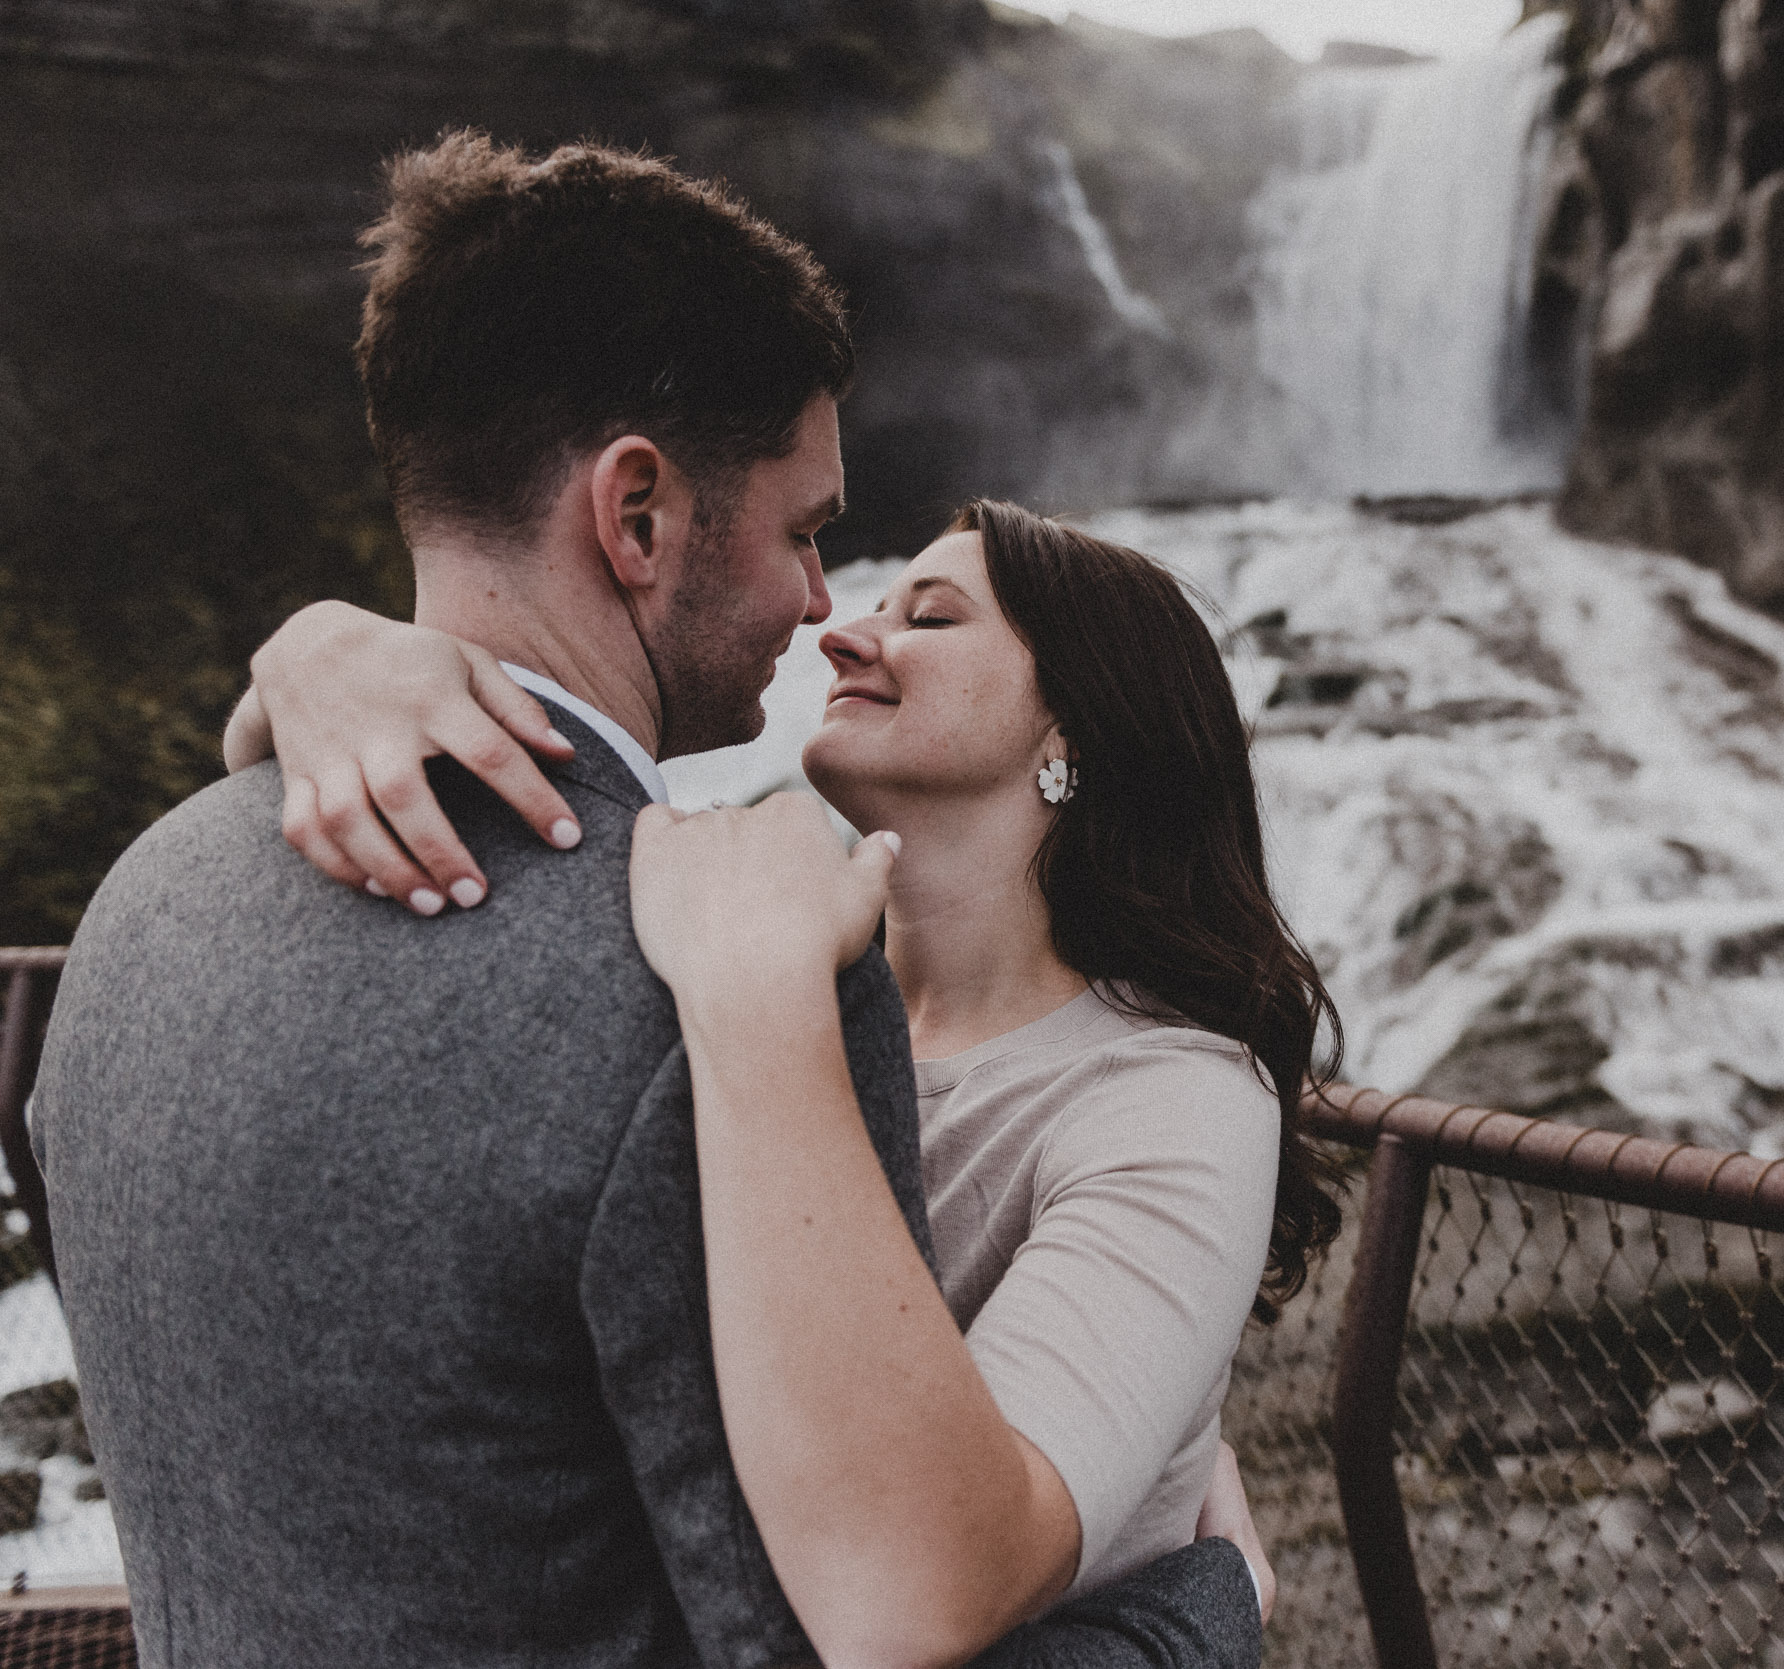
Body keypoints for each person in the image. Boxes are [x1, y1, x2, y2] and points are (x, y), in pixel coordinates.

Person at [28, 131, 1264, 1668]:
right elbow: (846, 1621)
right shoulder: (728, 993)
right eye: (811, 534)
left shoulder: (146, 903)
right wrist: (1198, 1610)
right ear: (636, 517)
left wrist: (308, 659)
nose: (829, 613)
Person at [233, 497, 1341, 1619]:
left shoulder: (1171, 1098)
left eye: (932, 617)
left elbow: (937, 1584)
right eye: (876, 603)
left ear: (1076, 728)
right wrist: (320, 653)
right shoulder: (744, 947)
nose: (843, 633)